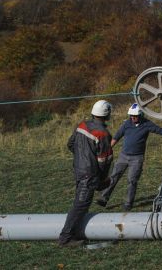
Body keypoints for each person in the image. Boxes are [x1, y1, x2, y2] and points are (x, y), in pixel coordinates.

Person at [96, 103, 162, 211]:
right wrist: (108, 149)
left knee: (132, 180)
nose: (132, 118)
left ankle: (128, 204)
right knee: (113, 176)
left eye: (135, 116)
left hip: (137, 158)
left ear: (140, 115)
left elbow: (160, 130)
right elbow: (117, 136)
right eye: (131, 116)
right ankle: (103, 198)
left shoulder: (147, 124)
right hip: (123, 156)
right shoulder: (126, 124)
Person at [58, 100, 113, 247]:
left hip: (78, 171)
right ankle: (65, 238)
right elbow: (104, 160)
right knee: (80, 205)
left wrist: (81, 158)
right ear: (107, 114)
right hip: (90, 175)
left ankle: (75, 232)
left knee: (81, 204)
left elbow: (70, 144)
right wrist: (103, 180)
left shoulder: (81, 126)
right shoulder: (103, 133)